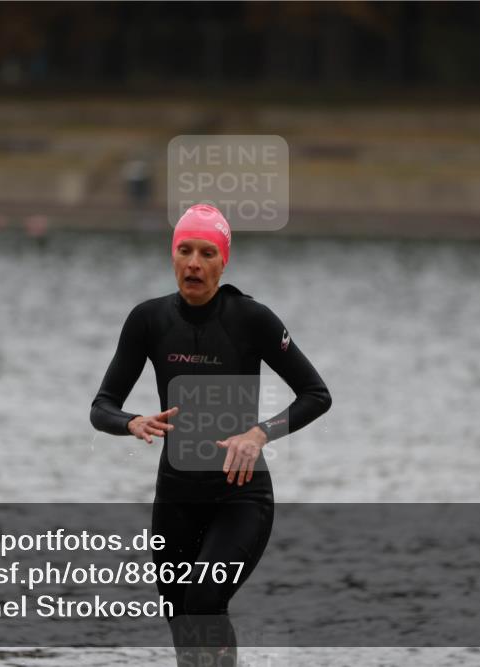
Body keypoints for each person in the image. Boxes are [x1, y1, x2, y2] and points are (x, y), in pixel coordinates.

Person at [90, 204, 332, 666]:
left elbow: (316, 394)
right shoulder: (148, 320)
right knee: (182, 616)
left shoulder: (252, 320)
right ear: (172, 255)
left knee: (203, 600)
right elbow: (101, 407)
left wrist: (260, 434)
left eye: (206, 253)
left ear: (224, 262)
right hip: (176, 498)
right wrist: (131, 422)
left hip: (241, 498)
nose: (194, 263)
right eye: (185, 251)